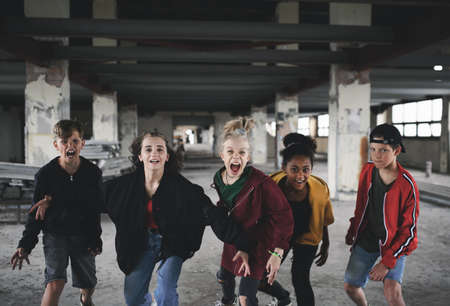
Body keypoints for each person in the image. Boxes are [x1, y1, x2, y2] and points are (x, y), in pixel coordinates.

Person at [102, 131, 251, 306]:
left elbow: (211, 213)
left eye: (160, 149)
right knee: (133, 299)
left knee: (165, 293)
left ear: (166, 156)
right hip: (138, 243)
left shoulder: (183, 188)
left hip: (172, 243)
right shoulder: (122, 187)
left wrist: (242, 243)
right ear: (140, 156)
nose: (154, 153)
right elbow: (88, 202)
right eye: (148, 149)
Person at [11, 119, 103, 306]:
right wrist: (26, 244)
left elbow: (94, 208)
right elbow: (34, 214)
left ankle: (85, 297)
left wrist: (95, 238)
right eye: (64, 141)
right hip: (55, 234)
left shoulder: (92, 173)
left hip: (83, 234)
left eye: (75, 141)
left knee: (88, 283)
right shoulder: (45, 175)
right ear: (56, 145)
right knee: (55, 282)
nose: (70, 146)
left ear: (82, 144)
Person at [213, 117, 294, 306]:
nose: (236, 156)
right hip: (236, 235)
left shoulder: (262, 183)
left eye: (242, 152)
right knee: (225, 275)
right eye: (230, 151)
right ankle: (227, 301)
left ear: (248, 157)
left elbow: (284, 215)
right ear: (222, 155)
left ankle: (284, 299)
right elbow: (227, 204)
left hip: (260, 240)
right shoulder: (219, 178)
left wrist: (277, 252)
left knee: (246, 297)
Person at [344, 124, 420, 306]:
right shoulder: (367, 171)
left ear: (397, 150)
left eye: (384, 150)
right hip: (367, 237)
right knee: (350, 286)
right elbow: (361, 204)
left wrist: (386, 262)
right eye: (373, 149)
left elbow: (408, 232)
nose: (377, 155)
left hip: (394, 242)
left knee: (392, 292)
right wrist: (353, 228)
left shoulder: (407, 184)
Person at [258, 133, 334, 306]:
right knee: (260, 277)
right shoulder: (272, 185)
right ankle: (283, 297)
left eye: (305, 169)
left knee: (301, 280)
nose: (300, 175)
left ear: (311, 168)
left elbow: (324, 218)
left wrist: (326, 244)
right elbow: (260, 216)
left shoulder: (319, 188)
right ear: (284, 167)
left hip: (307, 237)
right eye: (294, 169)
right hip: (280, 237)